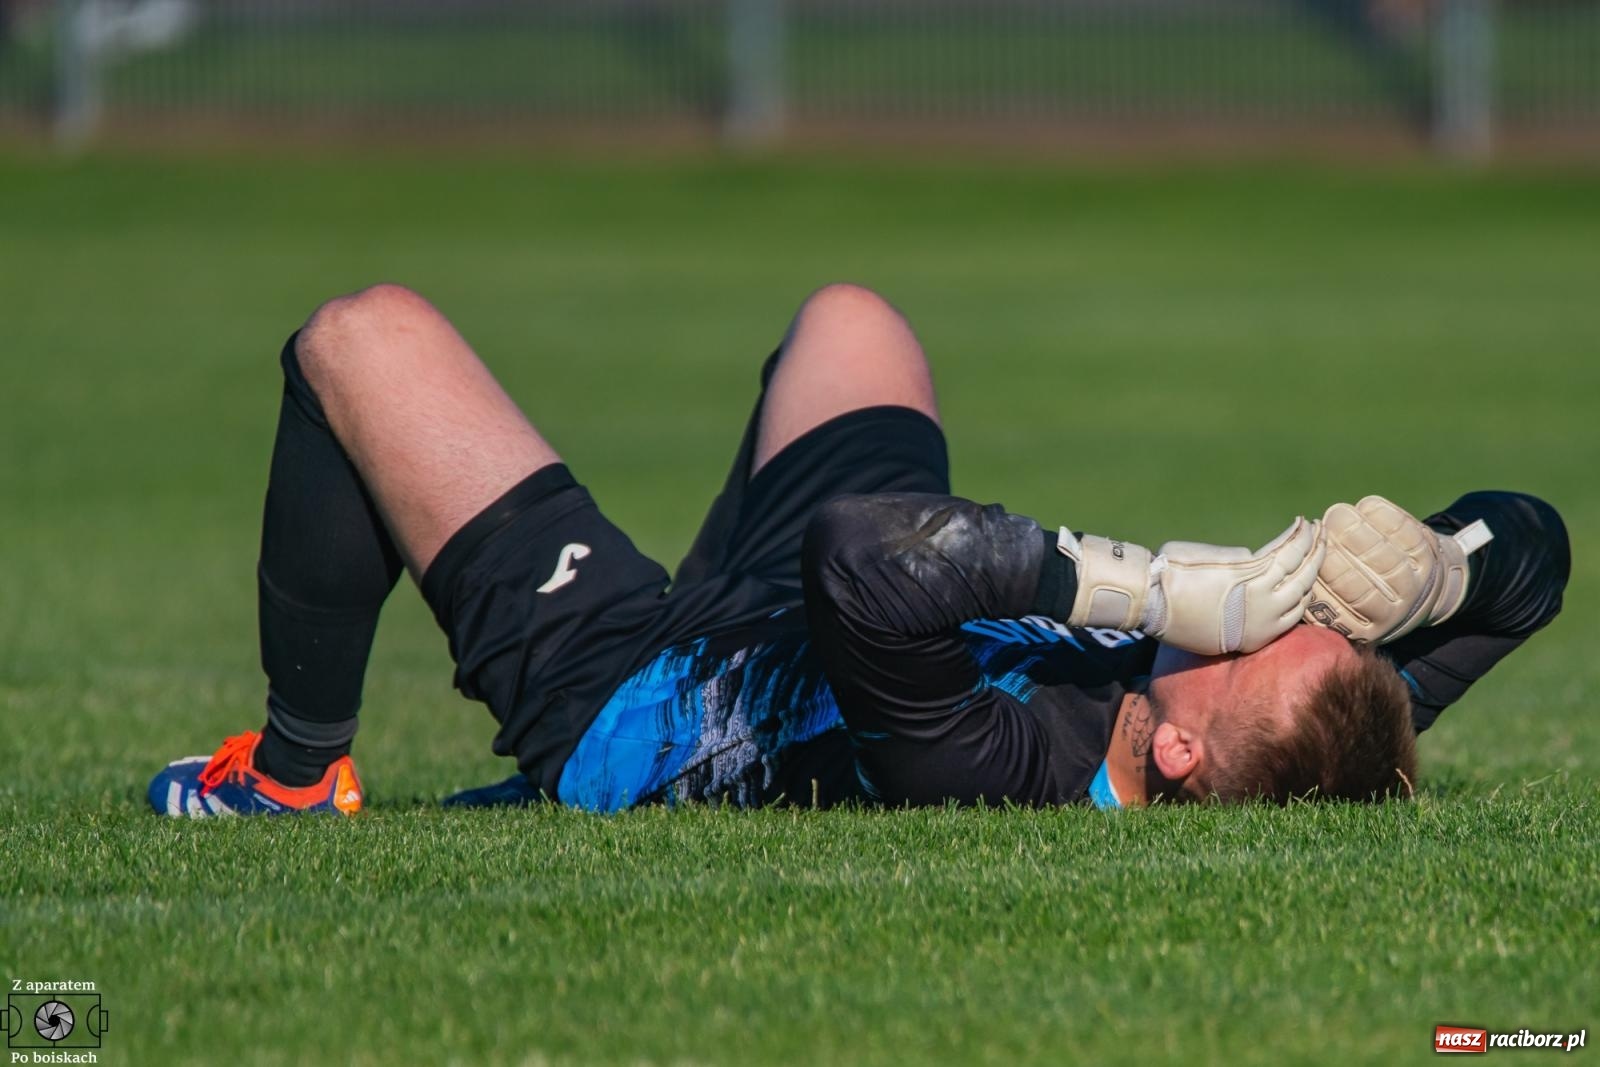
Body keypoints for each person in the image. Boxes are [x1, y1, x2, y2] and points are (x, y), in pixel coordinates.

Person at [147, 284, 1569, 817]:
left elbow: (862, 553)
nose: (1267, 611)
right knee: (855, 321)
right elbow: (1547, 559)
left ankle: (287, 776)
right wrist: (1436, 570)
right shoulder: (1320, 722)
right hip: (795, 613)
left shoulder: (1003, 773)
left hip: (644, 702)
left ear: (1178, 753)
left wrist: (1165, 586)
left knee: (360, 340)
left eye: (1256, 634)